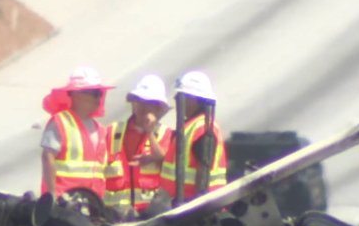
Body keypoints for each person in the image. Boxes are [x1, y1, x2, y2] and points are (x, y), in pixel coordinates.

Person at [103, 74, 173, 217]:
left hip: (151, 218)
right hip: (114, 218)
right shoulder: (112, 132)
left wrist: (149, 132)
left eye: (150, 102)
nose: (143, 106)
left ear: (159, 108)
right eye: (139, 100)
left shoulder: (166, 134)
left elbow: (164, 160)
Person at [40, 66, 114, 198]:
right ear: (77, 95)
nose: (99, 98)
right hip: (65, 203)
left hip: (93, 204)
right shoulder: (60, 122)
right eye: (94, 93)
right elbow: (47, 157)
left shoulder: (101, 129)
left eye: (100, 93)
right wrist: (51, 196)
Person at [159, 70, 228, 203]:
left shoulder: (203, 128)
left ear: (194, 99)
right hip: (181, 206)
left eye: (181, 95)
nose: (176, 99)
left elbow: (203, 174)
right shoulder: (193, 125)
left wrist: (196, 210)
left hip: (193, 210)